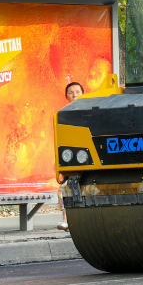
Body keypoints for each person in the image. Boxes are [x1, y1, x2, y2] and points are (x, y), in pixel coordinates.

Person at [57, 82, 84, 230]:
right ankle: (66, 220)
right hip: (70, 159)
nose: (74, 95)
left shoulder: (88, 111)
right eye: (71, 92)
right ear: (66, 96)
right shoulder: (63, 114)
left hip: (85, 159)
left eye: (77, 92)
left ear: (83, 93)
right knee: (63, 190)